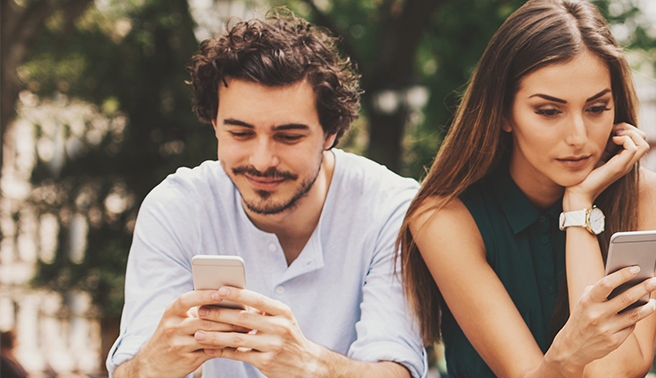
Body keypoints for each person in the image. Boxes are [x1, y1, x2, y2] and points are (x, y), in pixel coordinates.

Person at [105, 10, 425, 378]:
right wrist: (156, 363)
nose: (261, 161)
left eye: (288, 136)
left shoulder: (390, 208)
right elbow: (131, 370)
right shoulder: (176, 209)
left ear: (332, 133)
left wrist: (309, 366)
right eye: (240, 133)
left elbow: (398, 369)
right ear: (214, 125)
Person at [396, 0, 656, 377]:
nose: (579, 137)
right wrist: (567, 357)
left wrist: (579, 209)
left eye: (596, 108)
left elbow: (610, 372)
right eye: (549, 111)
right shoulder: (443, 216)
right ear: (502, 112)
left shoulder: (649, 196)